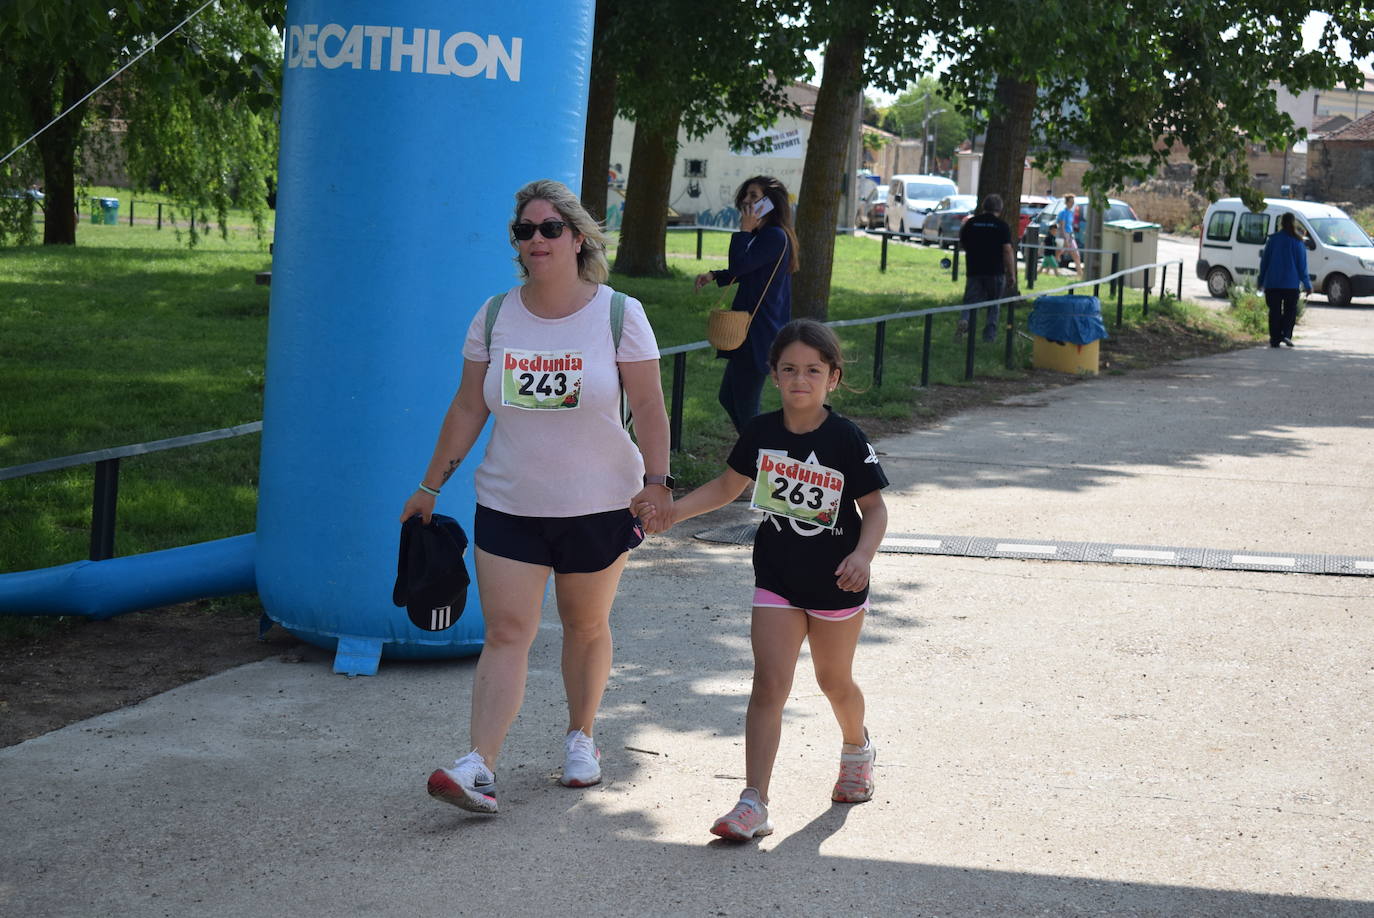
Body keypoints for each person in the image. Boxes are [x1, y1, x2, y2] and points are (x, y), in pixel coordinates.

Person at [400, 179, 673, 815]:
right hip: (509, 501)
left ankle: (582, 737)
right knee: (508, 632)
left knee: (584, 624)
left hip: (600, 502)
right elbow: (469, 407)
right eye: (526, 230)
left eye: (551, 228)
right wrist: (429, 485)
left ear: (578, 238)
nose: (538, 239)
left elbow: (652, 408)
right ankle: (480, 765)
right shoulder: (494, 315)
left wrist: (656, 482)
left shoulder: (618, 313)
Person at [636, 319, 889, 842]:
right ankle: (755, 801)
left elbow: (875, 508)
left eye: (813, 371)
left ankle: (856, 749)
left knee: (833, 682)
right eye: (790, 369)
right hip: (776, 577)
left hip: (837, 583)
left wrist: (864, 556)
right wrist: (673, 514)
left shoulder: (845, 439)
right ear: (774, 375)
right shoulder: (761, 432)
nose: (801, 379)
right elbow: (728, 486)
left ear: (833, 379)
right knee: (769, 684)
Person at [693, 175, 798, 432]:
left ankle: (758, 459)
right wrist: (715, 275)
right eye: (746, 195)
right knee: (728, 398)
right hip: (749, 329)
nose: (747, 201)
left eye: (754, 196)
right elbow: (749, 269)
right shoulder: (765, 235)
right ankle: (753, 454)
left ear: (770, 202)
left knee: (746, 405)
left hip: (758, 332)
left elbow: (741, 264)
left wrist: (743, 231)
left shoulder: (773, 235)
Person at [956, 194, 1017, 344]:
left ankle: (964, 320)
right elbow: (1007, 251)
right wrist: (1011, 274)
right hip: (995, 271)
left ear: (983, 206)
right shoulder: (1001, 226)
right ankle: (989, 336)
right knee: (993, 304)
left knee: (969, 301)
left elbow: (963, 243)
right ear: (1000, 209)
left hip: (974, 269)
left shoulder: (971, 224)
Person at [1257, 211, 1312, 348]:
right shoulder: (1298, 242)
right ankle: (1286, 334)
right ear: (1293, 223)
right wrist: (1307, 285)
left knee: (1274, 311)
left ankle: (1275, 338)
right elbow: (1302, 267)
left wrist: (1260, 281)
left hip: (1273, 283)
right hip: (1291, 284)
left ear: (1281, 223)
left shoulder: (1273, 240)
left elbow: (1265, 263)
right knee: (1290, 311)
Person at [1058, 194, 1083, 274]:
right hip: (1065, 236)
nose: (1072, 204)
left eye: (1073, 202)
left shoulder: (1071, 213)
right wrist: (1065, 238)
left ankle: (1080, 274)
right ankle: (1047, 269)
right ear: (1067, 202)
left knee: (1076, 255)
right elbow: (1062, 226)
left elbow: (1071, 225)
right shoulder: (1063, 213)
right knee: (1058, 254)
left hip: (1070, 235)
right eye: (1071, 202)